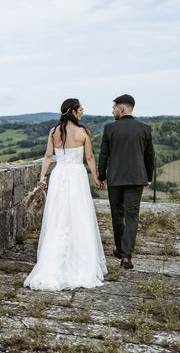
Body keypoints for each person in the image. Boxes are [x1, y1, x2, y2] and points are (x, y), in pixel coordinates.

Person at [24, 98, 107, 291]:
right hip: (77, 176)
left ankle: (51, 262)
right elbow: (89, 157)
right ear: (74, 111)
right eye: (81, 109)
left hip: (59, 175)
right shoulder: (83, 132)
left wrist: (42, 178)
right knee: (79, 215)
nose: (83, 111)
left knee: (58, 217)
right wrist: (95, 177)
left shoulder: (54, 132)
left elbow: (47, 156)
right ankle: (80, 262)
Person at [98, 94, 155, 269]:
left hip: (115, 179)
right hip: (136, 178)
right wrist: (148, 177)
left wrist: (101, 176)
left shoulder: (109, 129)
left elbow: (104, 155)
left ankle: (120, 248)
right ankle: (127, 256)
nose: (112, 111)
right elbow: (149, 157)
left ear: (121, 109)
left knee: (117, 214)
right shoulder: (145, 128)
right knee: (132, 216)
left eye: (114, 107)